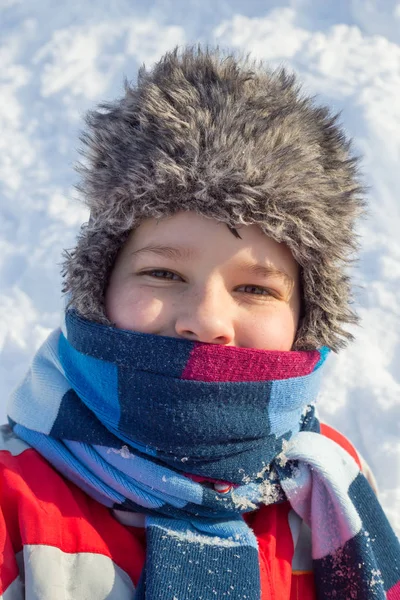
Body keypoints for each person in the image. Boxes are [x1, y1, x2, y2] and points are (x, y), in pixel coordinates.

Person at [1, 45, 399, 600]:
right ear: (98, 289)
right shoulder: (13, 502)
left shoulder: (330, 483)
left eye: (255, 288)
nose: (208, 320)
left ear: (306, 318)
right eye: (163, 273)